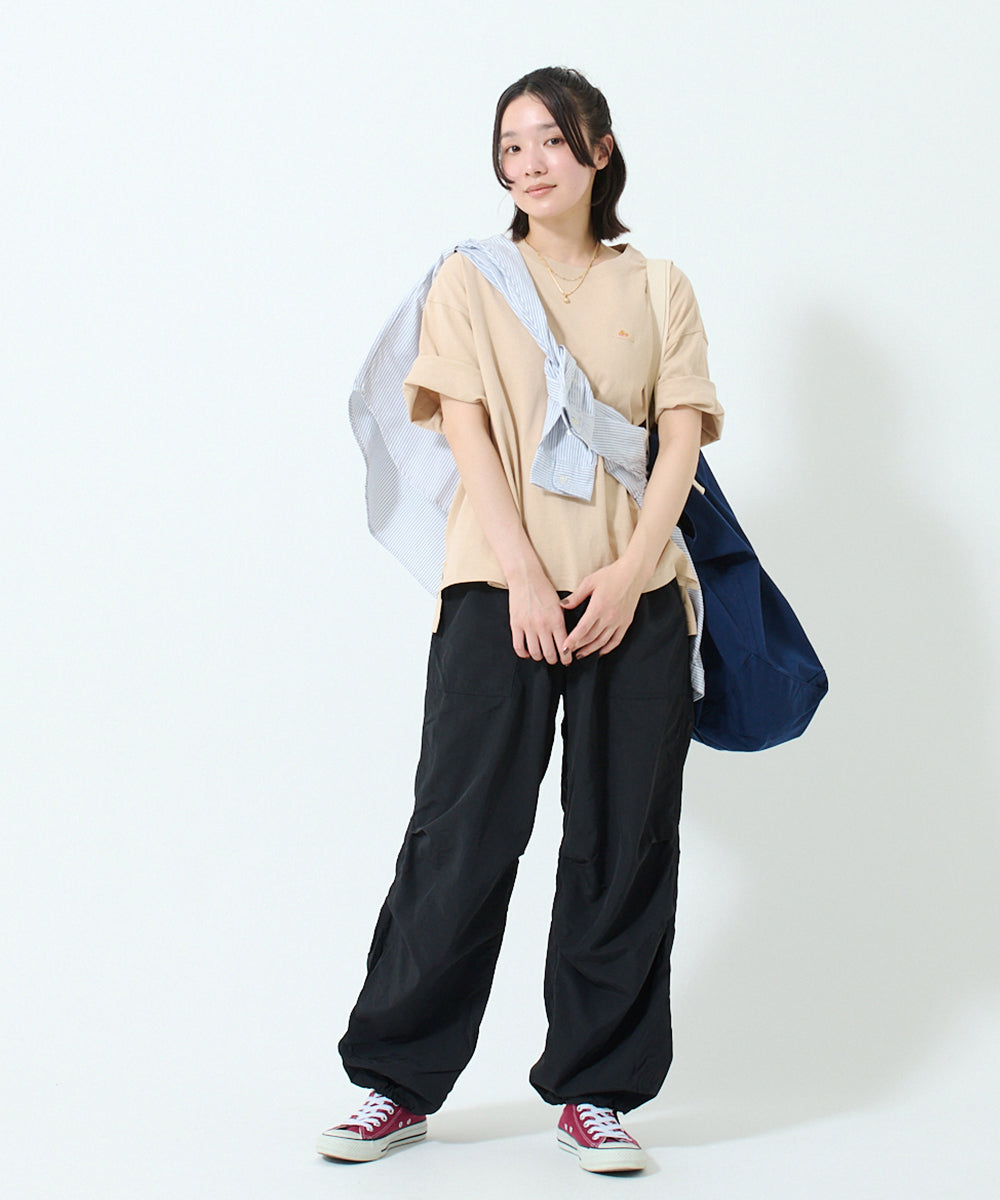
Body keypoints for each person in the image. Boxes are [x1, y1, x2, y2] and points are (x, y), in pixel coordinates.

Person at [317, 65, 724, 1175]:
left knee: (623, 842)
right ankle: (396, 1083)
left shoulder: (659, 286)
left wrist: (632, 576)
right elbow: (467, 431)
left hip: (636, 597)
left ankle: (597, 1093)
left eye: (550, 139)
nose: (530, 162)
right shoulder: (469, 279)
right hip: (499, 590)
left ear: (599, 149)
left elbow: (679, 441)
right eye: (511, 146)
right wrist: (523, 578)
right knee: (460, 832)